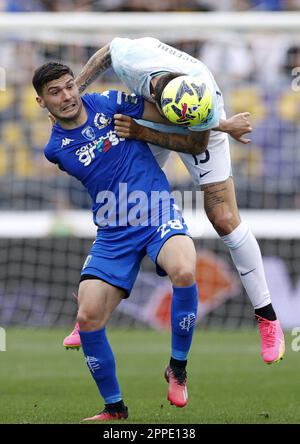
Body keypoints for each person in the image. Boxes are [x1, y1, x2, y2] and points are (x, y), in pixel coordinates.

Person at [64, 37, 285, 365]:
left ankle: (267, 317)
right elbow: (106, 52)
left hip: (195, 129)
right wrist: (78, 90)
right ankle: (90, 312)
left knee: (222, 216)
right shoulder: (133, 60)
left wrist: (145, 133)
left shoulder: (202, 100)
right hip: (146, 116)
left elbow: (196, 145)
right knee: (124, 201)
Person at [33, 61, 202, 420]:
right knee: (89, 315)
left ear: (77, 84)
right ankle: (115, 409)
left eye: (69, 86)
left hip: (156, 211)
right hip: (113, 230)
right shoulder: (55, 149)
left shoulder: (108, 102)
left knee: (184, 269)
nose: (66, 96)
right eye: (55, 93)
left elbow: (165, 112)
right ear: (40, 102)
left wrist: (216, 122)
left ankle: (178, 368)